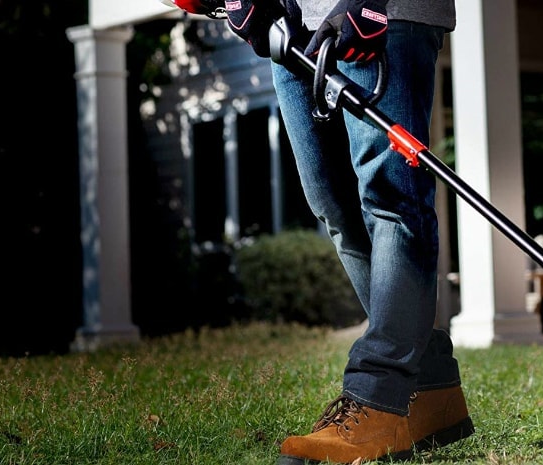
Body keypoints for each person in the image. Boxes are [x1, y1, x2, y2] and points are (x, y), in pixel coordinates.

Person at [166, 0, 473, 463]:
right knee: (334, 206)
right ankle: (432, 389)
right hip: (293, 23)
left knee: (392, 198)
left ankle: (377, 395)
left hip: (382, 14)